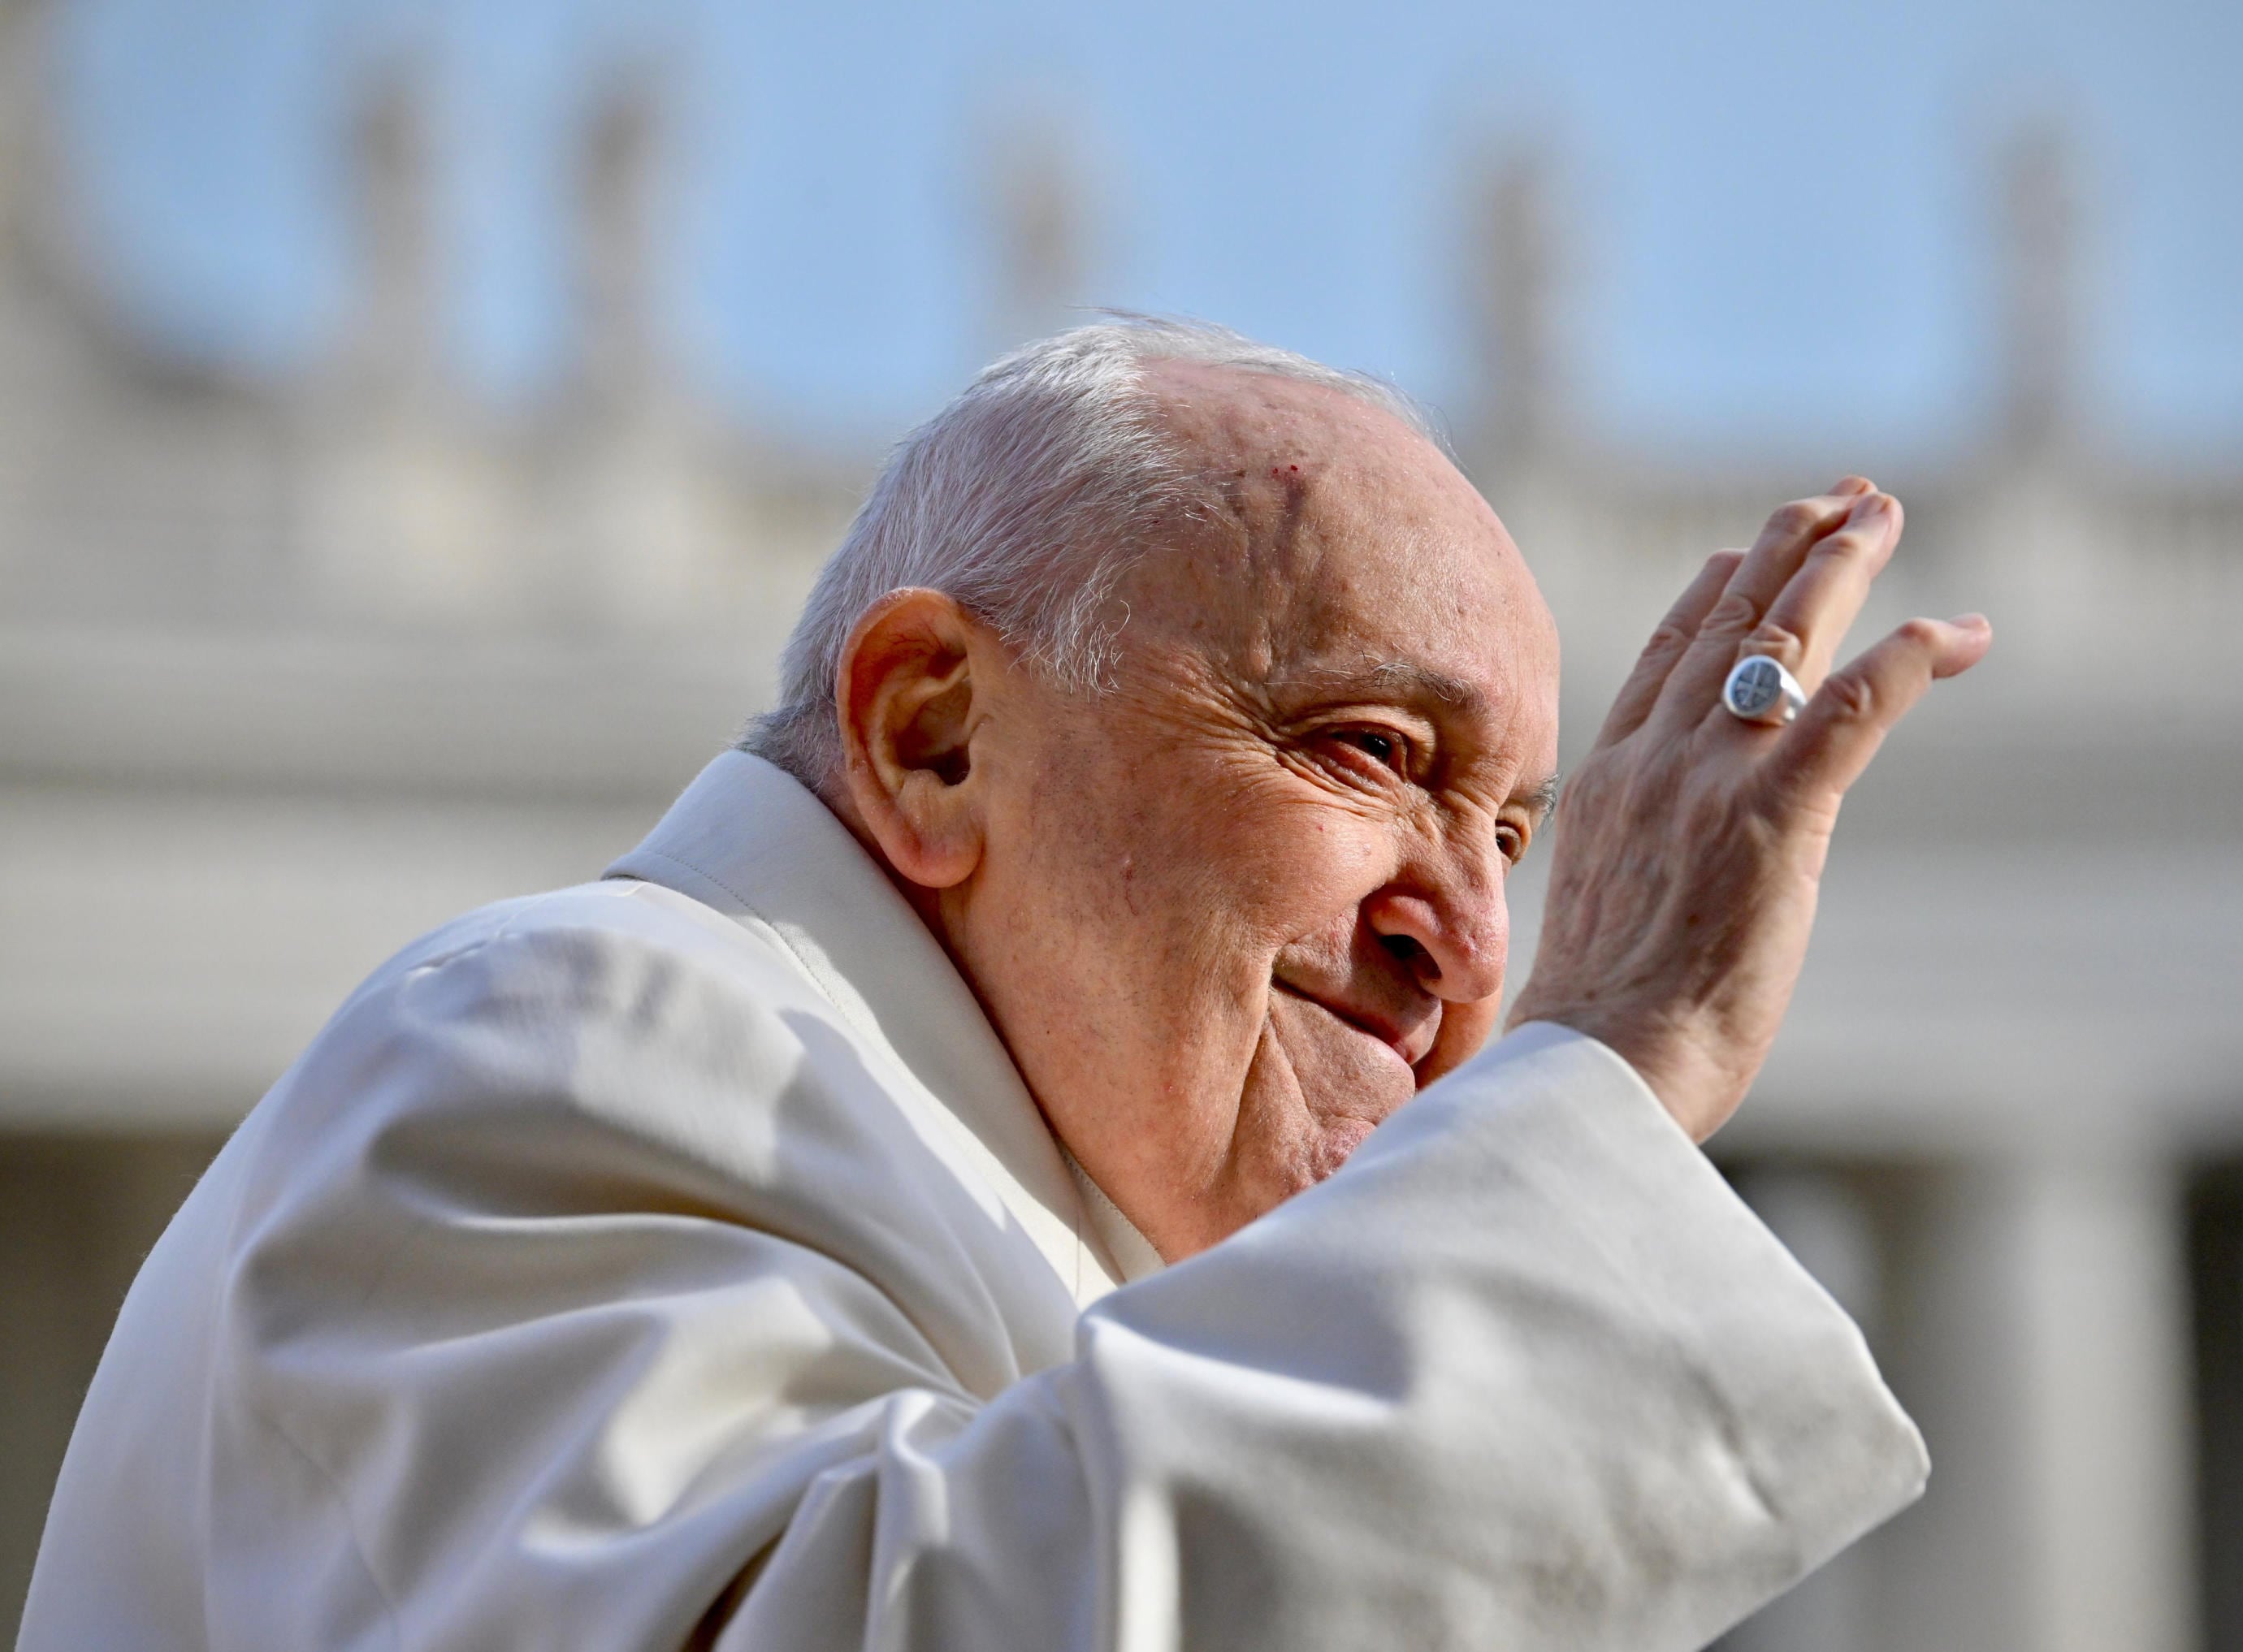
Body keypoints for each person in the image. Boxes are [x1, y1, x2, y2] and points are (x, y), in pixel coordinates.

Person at [19, 317, 1990, 1651]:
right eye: (1376, 754)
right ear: (936, 734)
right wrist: (1621, 1060)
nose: (1471, 944)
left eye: (1517, 838)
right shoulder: (567, 1031)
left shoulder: (1080, 1266)